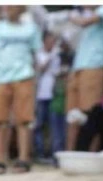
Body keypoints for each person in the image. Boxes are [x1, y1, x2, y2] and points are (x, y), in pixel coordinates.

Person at [0, 5, 42, 174]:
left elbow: (37, 54)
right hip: (1, 78)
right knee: (0, 121)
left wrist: (36, 78)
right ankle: (0, 160)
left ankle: (23, 159)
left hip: (24, 77)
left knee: (24, 120)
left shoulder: (31, 28)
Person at [64, 5, 103, 151]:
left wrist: (69, 16)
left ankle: (91, 155)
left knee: (91, 114)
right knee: (72, 115)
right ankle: (70, 155)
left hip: (94, 66)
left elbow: (84, 22)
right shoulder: (88, 14)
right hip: (78, 67)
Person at [34, 31, 64, 162]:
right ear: (44, 40)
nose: (52, 42)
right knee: (39, 125)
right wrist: (50, 57)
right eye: (50, 39)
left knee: (54, 126)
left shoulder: (58, 55)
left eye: (53, 40)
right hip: (41, 95)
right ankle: (40, 154)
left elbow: (59, 72)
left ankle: (54, 155)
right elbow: (40, 69)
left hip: (54, 95)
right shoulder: (39, 54)